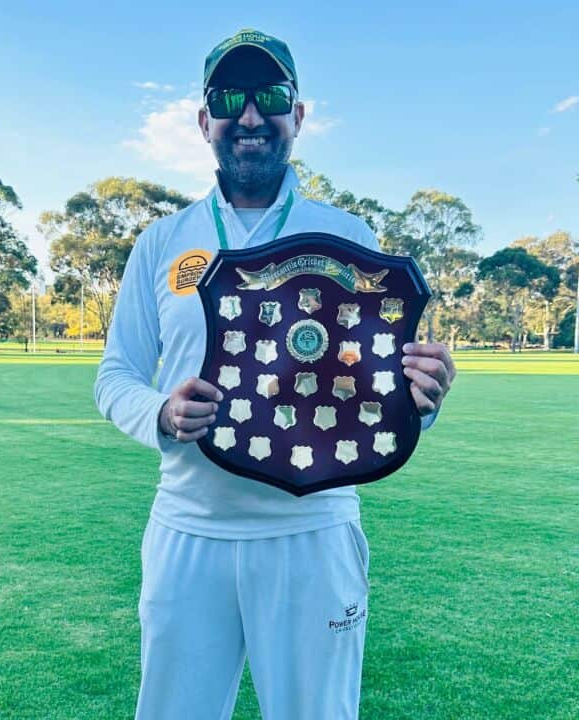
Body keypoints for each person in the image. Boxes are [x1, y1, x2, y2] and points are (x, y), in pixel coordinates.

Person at [94, 30, 455, 720]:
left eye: (271, 96)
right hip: (188, 530)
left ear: (299, 114)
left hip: (313, 529)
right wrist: (161, 414)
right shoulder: (163, 241)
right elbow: (115, 377)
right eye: (230, 98)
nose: (251, 116)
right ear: (205, 121)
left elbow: (378, 387)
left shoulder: (348, 234)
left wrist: (424, 396)